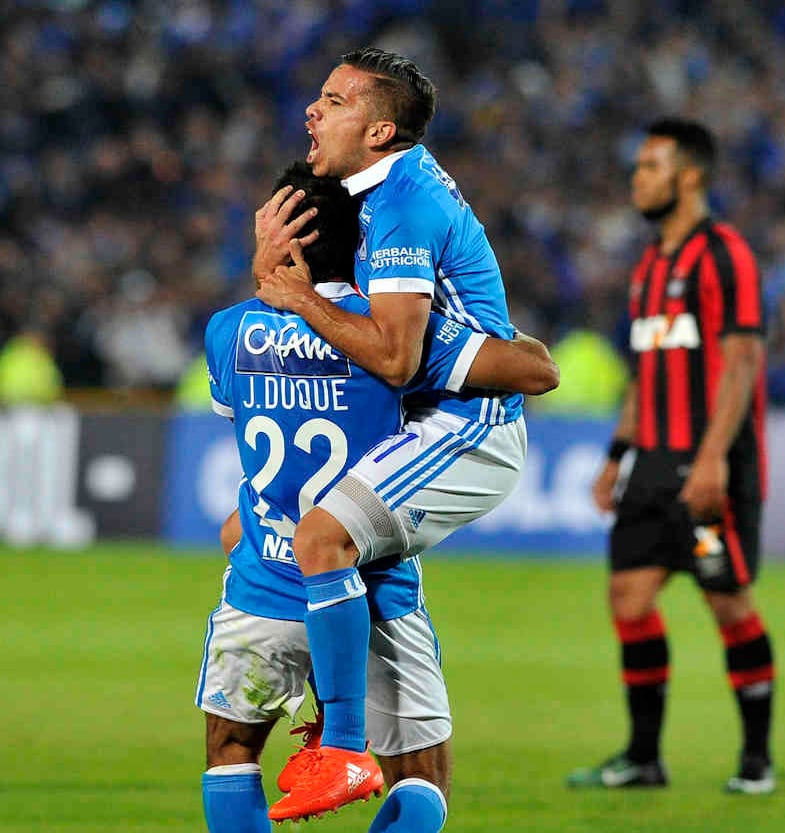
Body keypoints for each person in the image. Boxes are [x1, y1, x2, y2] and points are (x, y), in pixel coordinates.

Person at [198, 161, 557, 833]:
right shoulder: (385, 333)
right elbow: (535, 370)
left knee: (231, 750)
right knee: (420, 774)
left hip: (264, 581)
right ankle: (344, 739)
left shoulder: (225, 332)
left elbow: (246, 414)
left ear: (283, 242)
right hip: (370, 591)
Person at [252, 47, 532, 821]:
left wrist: (300, 299)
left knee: (319, 540)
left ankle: (340, 748)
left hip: (466, 424)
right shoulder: (386, 193)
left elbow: (397, 356)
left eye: (334, 101)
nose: (313, 110)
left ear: (379, 130)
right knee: (351, 576)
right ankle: (368, 745)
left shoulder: (403, 204)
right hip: (438, 417)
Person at [568, 119, 776, 794]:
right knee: (627, 599)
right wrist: (614, 456)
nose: (638, 178)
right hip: (651, 465)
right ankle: (643, 757)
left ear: (690, 175)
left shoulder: (725, 255)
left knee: (729, 604)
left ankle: (756, 759)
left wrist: (714, 456)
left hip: (710, 462)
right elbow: (646, 373)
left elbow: (742, 360)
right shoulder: (649, 266)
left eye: (651, 166)